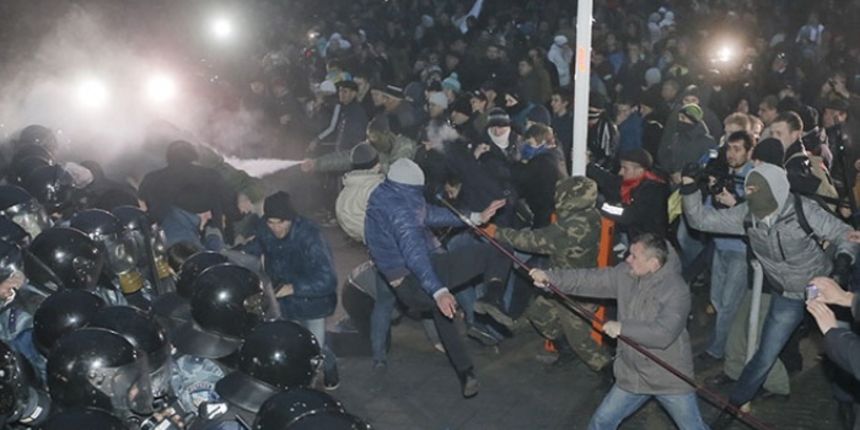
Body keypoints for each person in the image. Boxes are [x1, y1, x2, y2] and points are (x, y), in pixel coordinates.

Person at [681, 162, 859, 421]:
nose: (756, 205)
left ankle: (846, 405)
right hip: (787, 295)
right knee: (764, 355)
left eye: (761, 195)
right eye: (752, 195)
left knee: (842, 350)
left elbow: (845, 234)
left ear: (777, 192)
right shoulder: (747, 214)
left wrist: (841, 267)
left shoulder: (802, 209)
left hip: (825, 292)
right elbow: (700, 220)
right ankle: (732, 409)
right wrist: (688, 188)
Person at [364, 158, 510, 398]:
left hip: (401, 284)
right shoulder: (401, 210)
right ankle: (492, 298)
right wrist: (438, 290)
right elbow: (414, 252)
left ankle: (466, 373)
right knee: (498, 249)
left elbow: (428, 213)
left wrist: (474, 217)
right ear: (410, 188)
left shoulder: (385, 194)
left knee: (443, 315)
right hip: (417, 278)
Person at [529, 233, 707, 429]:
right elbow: (590, 279)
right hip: (632, 373)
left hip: (667, 375)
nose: (627, 259)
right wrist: (551, 278)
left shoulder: (676, 289)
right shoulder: (625, 274)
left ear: (653, 264)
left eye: (634, 257)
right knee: (602, 422)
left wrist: (623, 328)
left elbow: (664, 334)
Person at [487, 176, 612, 373]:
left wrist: (497, 232)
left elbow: (535, 241)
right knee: (540, 312)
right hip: (564, 282)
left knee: (582, 342)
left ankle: (612, 375)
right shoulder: (590, 214)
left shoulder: (572, 226)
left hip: (576, 290)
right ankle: (566, 352)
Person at [241, 191, 340, 390]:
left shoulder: (311, 237)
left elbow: (328, 279)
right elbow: (256, 246)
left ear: (291, 219)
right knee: (293, 344)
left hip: (313, 304)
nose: (276, 228)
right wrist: (240, 255)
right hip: (283, 301)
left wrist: (294, 288)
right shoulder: (264, 228)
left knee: (316, 350)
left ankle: (328, 373)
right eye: (271, 222)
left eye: (281, 222)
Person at [697, 131, 754, 365]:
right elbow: (709, 210)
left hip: (740, 249)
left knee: (729, 303)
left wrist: (736, 202)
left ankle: (718, 351)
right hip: (720, 243)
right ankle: (726, 344)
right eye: (729, 149)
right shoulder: (722, 173)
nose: (732, 154)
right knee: (718, 299)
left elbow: (756, 214)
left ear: (749, 151)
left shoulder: (753, 178)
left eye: (738, 149)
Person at [587, 148, 669, 239]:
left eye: (625, 169)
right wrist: (588, 166)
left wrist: (599, 205)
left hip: (647, 240)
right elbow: (608, 180)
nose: (620, 172)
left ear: (640, 170)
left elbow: (628, 215)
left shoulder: (654, 190)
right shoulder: (629, 182)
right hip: (631, 234)